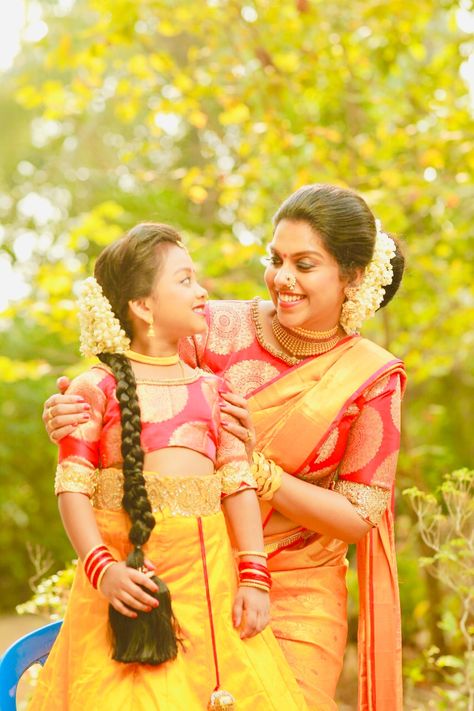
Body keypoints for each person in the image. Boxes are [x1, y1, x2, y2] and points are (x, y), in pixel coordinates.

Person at [44, 184, 407, 711]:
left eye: (304, 264)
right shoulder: (209, 325)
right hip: (188, 564)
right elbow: (130, 393)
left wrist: (260, 472)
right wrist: (71, 414)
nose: (282, 278)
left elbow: (359, 516)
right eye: (276, 258)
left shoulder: (371, 378)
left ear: (352, 277)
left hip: (298, 587)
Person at [31, 223, 308, 710]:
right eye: (184, 280)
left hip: (212, 594)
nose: (201, 290)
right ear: (142, 305)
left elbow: (237, 485)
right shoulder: (94, 389)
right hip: (124, 587)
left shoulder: (214, 390)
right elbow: (71, 488)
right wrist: (103, 569)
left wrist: (253, 575)